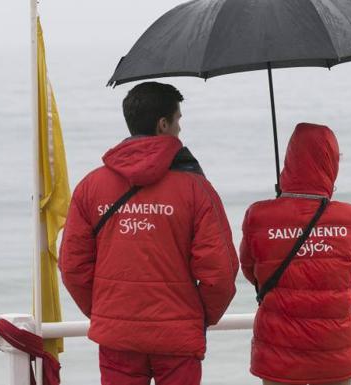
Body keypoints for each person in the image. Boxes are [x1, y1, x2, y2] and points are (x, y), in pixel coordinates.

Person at [59, 82, 239, 385]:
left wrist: (107, 312)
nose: (180, 130)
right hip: (177, 336)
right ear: (163, 124)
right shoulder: (196, 188)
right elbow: (219, 271)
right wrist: (198, 317)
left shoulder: (91, 186)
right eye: (178, 120)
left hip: (118, 337)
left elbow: (73, 266)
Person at [240, 123, 351, 385]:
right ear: (330, 163)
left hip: (278, 347)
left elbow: (251, 271)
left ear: (290, 160)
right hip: (334, 347)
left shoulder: (258, 215)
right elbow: (346, 269)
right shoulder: (350, 217)